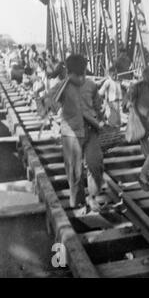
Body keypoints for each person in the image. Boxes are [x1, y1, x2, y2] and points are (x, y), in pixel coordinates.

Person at [46, 54, 105, 212]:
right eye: (78, 74)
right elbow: (48, 103)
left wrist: (101, 116)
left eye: (83, 73)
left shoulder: (91, 85)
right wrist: (51, 105)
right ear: (70, 71)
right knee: (74, 170)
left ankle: (92, 196)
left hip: (90, 130)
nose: (81, 77)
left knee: (95, 163)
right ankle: (78, 201)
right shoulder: (62, 86)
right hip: (71, 133)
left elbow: (98, 105)